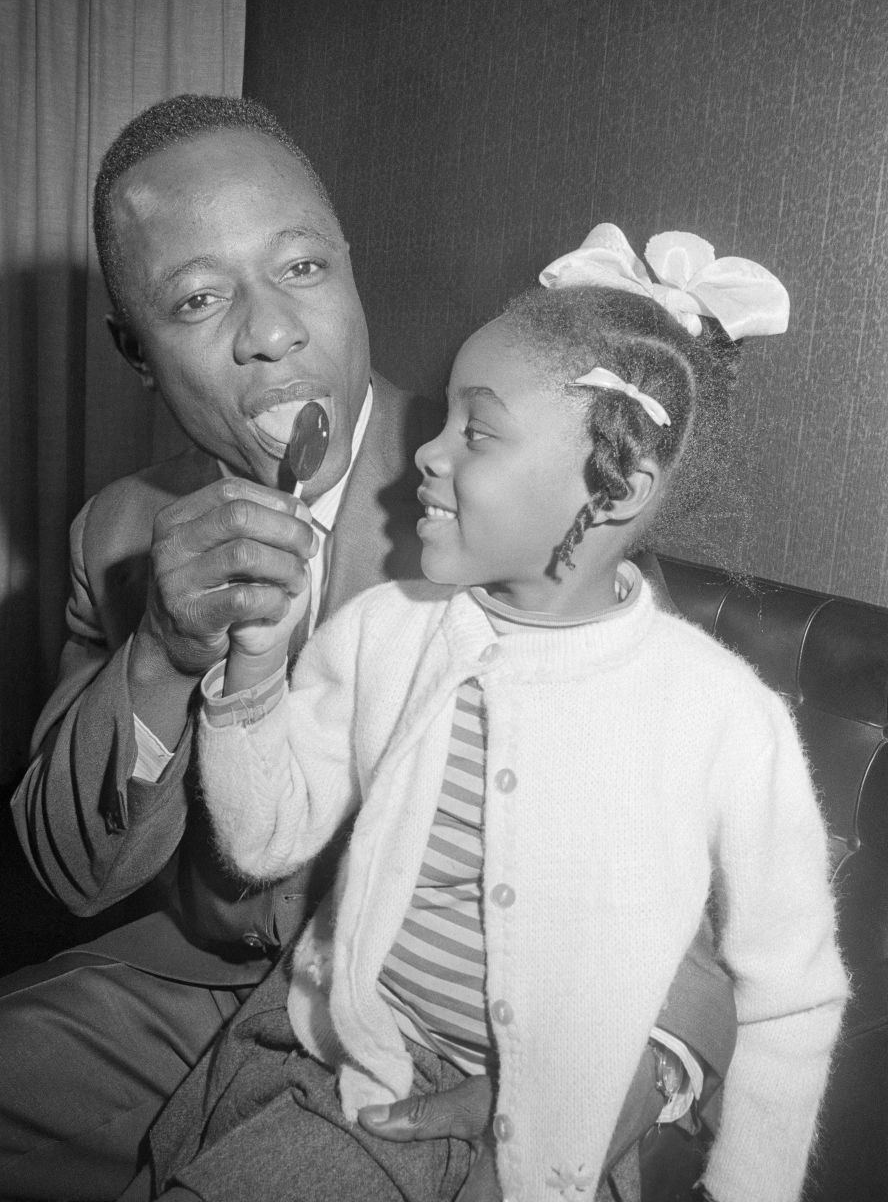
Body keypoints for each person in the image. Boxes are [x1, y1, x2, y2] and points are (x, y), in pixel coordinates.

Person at [0, 102, 729, 1202]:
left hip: (451, 1031)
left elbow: (690, 863)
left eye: (300, 266)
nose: (273, 331)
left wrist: (619, 1074)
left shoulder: (525, 479)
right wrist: (158, 647)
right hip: (195, 996)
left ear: (350, 271)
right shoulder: (114, 532)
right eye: (198, 299)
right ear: (135, 354)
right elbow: (70, 867)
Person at [143, 226, 848, 1202]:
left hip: (501, 1123)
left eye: (476, 431)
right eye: (443, 420)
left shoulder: (722, 717)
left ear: (614, 488)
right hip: (308, 1040)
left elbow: (789, 996)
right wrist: (254, 679)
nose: (422, 454)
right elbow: (265, 842)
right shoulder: (388, 631)